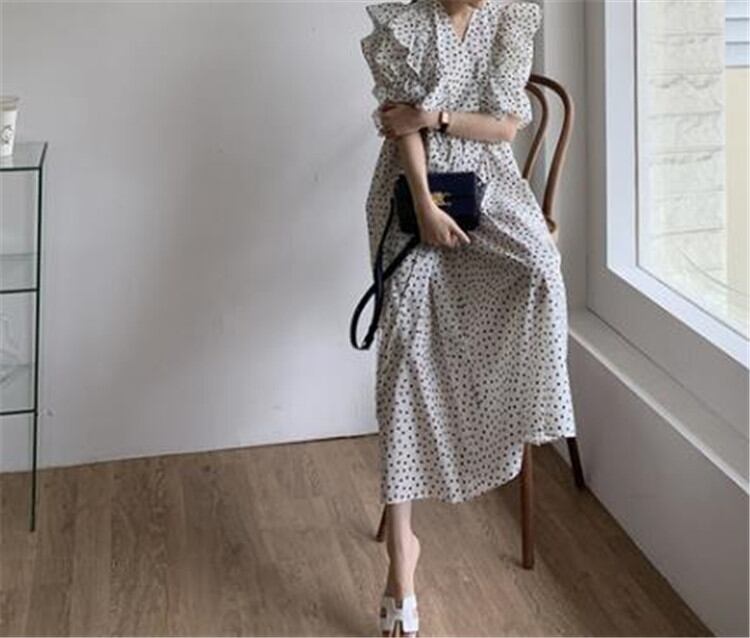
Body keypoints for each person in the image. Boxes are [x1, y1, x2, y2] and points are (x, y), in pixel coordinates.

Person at [359, 0, 577, 635]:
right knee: (403, 345)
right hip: (413, 191)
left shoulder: (509, 18)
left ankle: (506, 407)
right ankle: (402, 556)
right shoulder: (404, 26)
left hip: (493, 185)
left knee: (542, 267)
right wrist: (426, 206)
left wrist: (435, 116)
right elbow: (398, 129)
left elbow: (505, 129)